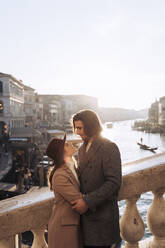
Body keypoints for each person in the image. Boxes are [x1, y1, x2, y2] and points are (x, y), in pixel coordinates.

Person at [71, 109, 122, 248]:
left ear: (91, 126)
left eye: (79, 128)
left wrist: (87, 202)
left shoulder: (109, 147)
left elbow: (114, 182)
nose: (76, 132)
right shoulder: (81, 150)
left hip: (104, 225)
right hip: (86, 226)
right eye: (75, 128)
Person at [46, 134, 83, 248]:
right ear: (62, 152)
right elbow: (77, 198)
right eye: (67, 145)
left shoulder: (72, 167)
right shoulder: (59, 175)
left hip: (72, 224)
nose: (71, 144)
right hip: (63, 229)